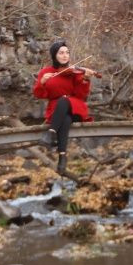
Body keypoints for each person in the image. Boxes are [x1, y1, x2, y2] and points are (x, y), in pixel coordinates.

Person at [33, 40, 96, 176]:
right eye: (61, 53)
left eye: (67, 52)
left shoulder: (75, 72)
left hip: (76, 106)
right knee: (65, 120)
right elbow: (39, 94)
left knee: (64, 100)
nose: (65, 55)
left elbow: (81, 95)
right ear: (54, 55)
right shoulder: (46, 72)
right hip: (57, 112)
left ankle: (50, 133)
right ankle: (62, 157)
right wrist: (42, 82)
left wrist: (85, 80)